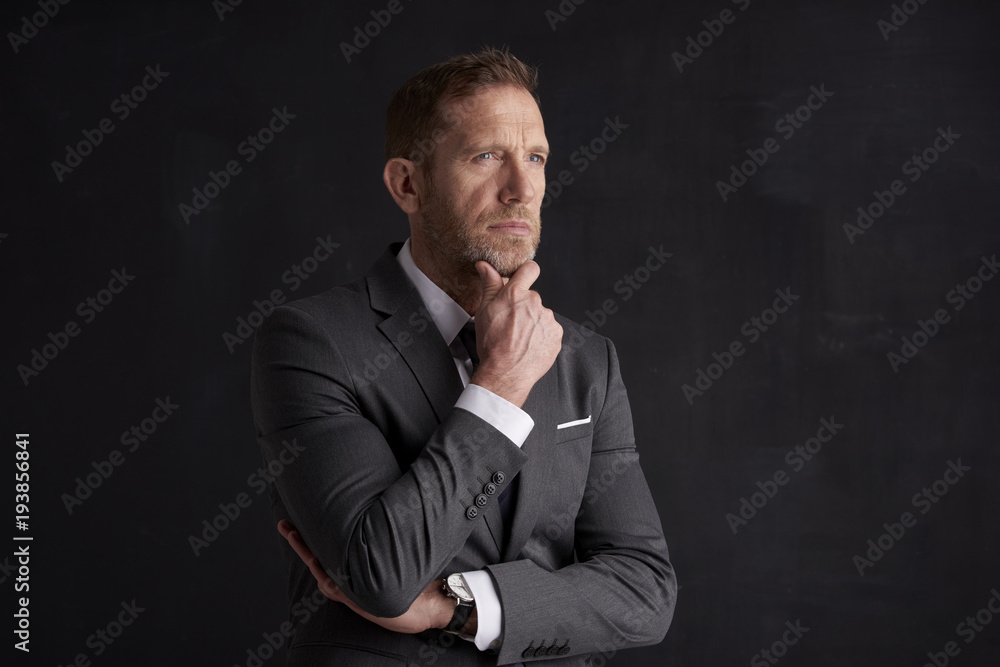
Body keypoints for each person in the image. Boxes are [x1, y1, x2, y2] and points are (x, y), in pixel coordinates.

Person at [251, 46, 676, 666]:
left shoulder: (587, 359)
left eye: (536, 158)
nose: (522, 188)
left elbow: (646, 590)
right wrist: (501, 383)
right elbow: (381, 574)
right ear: (407, 183)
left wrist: (459, 607)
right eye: (486, 157)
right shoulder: (311, 341)